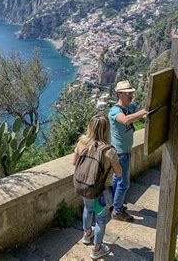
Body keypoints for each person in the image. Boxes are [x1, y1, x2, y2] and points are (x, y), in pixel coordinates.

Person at [73, 115, 122, 259]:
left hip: (84, 185)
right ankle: (96, 249)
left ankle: (87, 235)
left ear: (90, 127)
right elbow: (119, 173)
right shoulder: (109, 151)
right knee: (101, 219)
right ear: (107, 130)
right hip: (102, 190)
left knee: (87, 209)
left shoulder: (82, 142)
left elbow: (74, 162)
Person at [108, 80, 148, 222]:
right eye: (127, 93)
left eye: (131, 93)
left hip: (124, 150)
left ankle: (115, 205)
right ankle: (117, 212)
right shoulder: (114, 111)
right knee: (124, 183)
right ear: (119, 94)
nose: (131, 95)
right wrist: (143, 112)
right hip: (119, 153)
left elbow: (138, 115)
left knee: (117, 180)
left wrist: (144, 114)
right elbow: (124, 120)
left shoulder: (130, 107)